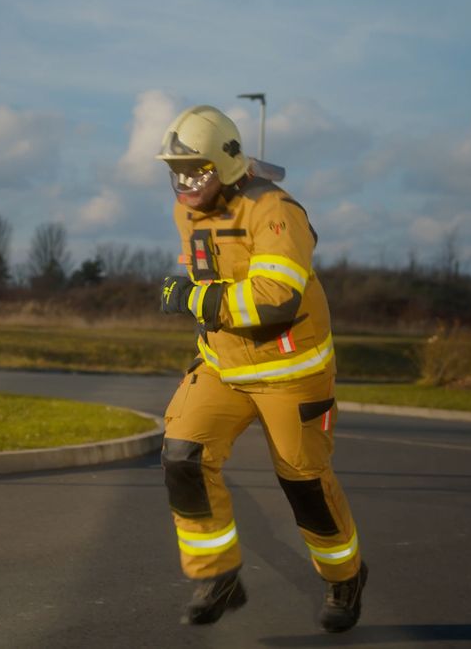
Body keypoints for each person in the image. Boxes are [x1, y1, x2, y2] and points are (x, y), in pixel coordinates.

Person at [155, 105, 367, 632]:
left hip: (290, 371)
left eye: (196, 170)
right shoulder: (188, 211)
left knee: (305, 485)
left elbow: (274, 299)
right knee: (183, 456)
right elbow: (209, 274)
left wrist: (195, 302)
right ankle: (217, 574)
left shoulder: (275, 211)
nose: (184, 182)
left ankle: (345, 576)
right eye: (176, 171)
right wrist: (200, 311)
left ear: (226, 164)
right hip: (224, 366)